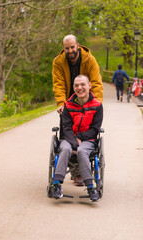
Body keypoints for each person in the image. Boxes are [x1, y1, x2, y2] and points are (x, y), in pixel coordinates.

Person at [52, 34, 103, 186]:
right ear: (64, 49)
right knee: (67, 133)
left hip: (86, 98)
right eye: (67, 48)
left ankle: (82, 170)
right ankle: (75, 171)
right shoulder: (58, 62)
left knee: (86, 129)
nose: (70, 50)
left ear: (78, 46)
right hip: (69, 103)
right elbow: (58, 83)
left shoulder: (89, 59)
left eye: (72, 47)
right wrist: (61, 103)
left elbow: (96, 82)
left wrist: (96, 104)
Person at [51, 75, 103, 201]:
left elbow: (95, 129)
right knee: (65, 150)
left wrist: (80, 138)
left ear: (89, 86)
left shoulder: (97, 105)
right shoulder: (68, 105)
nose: (80, 88)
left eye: (83, 84)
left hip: (88, 140)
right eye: (76, 85)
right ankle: (56, 184)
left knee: (82, 151)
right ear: (73, 88)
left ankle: (90, 186)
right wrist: (74, 143)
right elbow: (66, 128)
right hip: (68, 139)